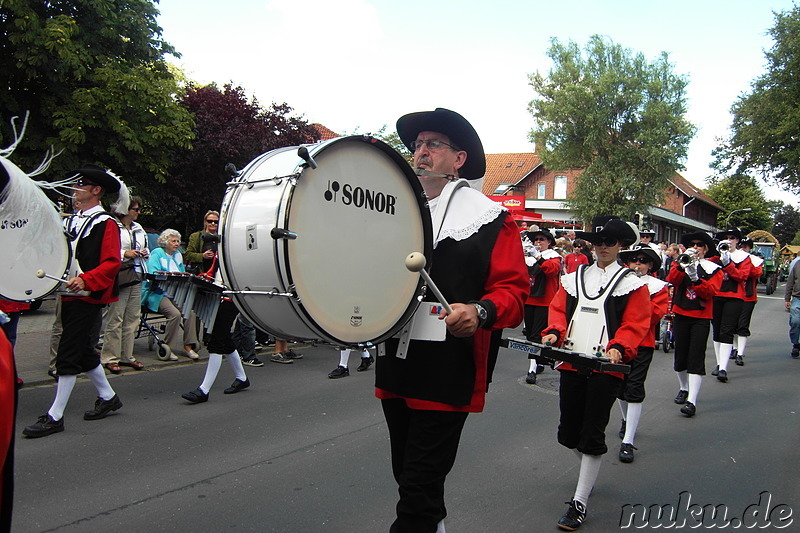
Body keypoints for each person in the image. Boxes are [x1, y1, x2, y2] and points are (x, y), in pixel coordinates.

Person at [376, 108, 528, 532]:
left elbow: (514, 294)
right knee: (408, 477)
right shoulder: (392, 210)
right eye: (417, 145)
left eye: (432, 144)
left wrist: (479, 312)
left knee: (417, 496)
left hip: (449, 367)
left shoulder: (492, 219)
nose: (420, 152)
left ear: (458, 159)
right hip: (396, 358)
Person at [540, 216, 650, 531]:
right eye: (599, 241)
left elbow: (635, 322)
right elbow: (559, 310)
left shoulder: (632, 282)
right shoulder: (574, 277)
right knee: (568, 434)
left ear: (621, 246)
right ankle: (589, 477)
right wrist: (553, 333)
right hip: (574, 361)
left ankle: (579, 502)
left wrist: (620, 346)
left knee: (591, 434)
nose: (603, 247)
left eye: (610, 242)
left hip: (606, 368)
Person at [23, 165, 125, 438]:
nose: (74, 189)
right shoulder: (71, 221)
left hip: (88, 296)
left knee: (68, 352)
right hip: (68, 293)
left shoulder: (107, 224)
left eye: (81, 184)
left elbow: (112, 263)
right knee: (82, 351)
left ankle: (55, 415)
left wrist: (87, 279)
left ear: (96, 190)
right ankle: (108, 396)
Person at [616, 245, 670, 464]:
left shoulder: (657, 287)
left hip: (642, 343)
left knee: (635, 388)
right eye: (634, 260)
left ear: (650, 266)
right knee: (619, 385)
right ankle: (625, 419)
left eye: (642, 261)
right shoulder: (620, 282)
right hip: (618, 342)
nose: (637, 265)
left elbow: (655, 315)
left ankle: (628, 441)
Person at [666, 231, 722, 418]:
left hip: (701, 317)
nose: (696, 247)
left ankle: (692, 401)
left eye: (699, 245)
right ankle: (683, 388)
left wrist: (696, 278)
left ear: (705, 249)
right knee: (680, 356)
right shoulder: (680, 262)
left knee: (696, 358)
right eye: (693, 244)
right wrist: (683, 267)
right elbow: (671, 280)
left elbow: (710, 292)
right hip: (681, 313)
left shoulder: (714, 269)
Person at [100, 196, 149, 374]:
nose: (138, 212)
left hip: (136, 274)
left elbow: (146, 247)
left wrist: (144, 252)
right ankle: (109, 357)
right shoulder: (113, 226)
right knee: (115, 317)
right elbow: (107, 249)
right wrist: (125, 253)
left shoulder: (138, 228)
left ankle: (127, 355)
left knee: (132, 318)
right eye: (135, 209)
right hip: (119, 276)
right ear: (125, 210)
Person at [142, 229, 201, 360]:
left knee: (190, 312)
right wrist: (167, 276)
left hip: (175, 293)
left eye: (178, 241)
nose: (176, 244)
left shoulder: (178, 255)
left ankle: (188, 346)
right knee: (175, 314)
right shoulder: (157, 253)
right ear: (165, 242)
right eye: (173, 241)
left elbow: (181, 272)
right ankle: (169, 346)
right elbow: (152, 273)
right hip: (158, 294)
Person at [709, 228, 752, 382]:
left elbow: (743, 276)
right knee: (717, 330)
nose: (729, 240)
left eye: (732, 237)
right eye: (726, 237)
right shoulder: (716, 256)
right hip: (717, 295)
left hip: (734, 297)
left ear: (738, 241)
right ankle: (719, 362)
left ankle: (723, 368)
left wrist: (728, 264)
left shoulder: (744, 258)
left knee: (727, 330)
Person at [521, 228, 562, 384]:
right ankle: (541, 359)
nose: (538, 242)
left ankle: (531, 369)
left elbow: (551, 270)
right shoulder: (529, 257)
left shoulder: (554, 257)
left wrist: (537, 255)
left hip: (545, 301)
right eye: (536, 239)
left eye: (541, 239)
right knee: (531, 334)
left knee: (536, 336)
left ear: (549, 242)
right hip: (529, 299)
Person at [731, 236, 762, 366]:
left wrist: (746, 262)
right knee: (731, 324)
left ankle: (740, 353)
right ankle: (734, 348)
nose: (742, 249)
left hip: (748, 297)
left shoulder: (755, 260)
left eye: (745, 246)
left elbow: (757, 274)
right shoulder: (734, 258)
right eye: (741, 246)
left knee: (743, 325)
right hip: (733, 295)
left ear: (749, 248)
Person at [784, 258, 800, 358]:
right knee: (795, 321)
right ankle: (795, 344)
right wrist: (787, 298)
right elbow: (790, 282)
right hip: (798, 298)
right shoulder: (797, 264)